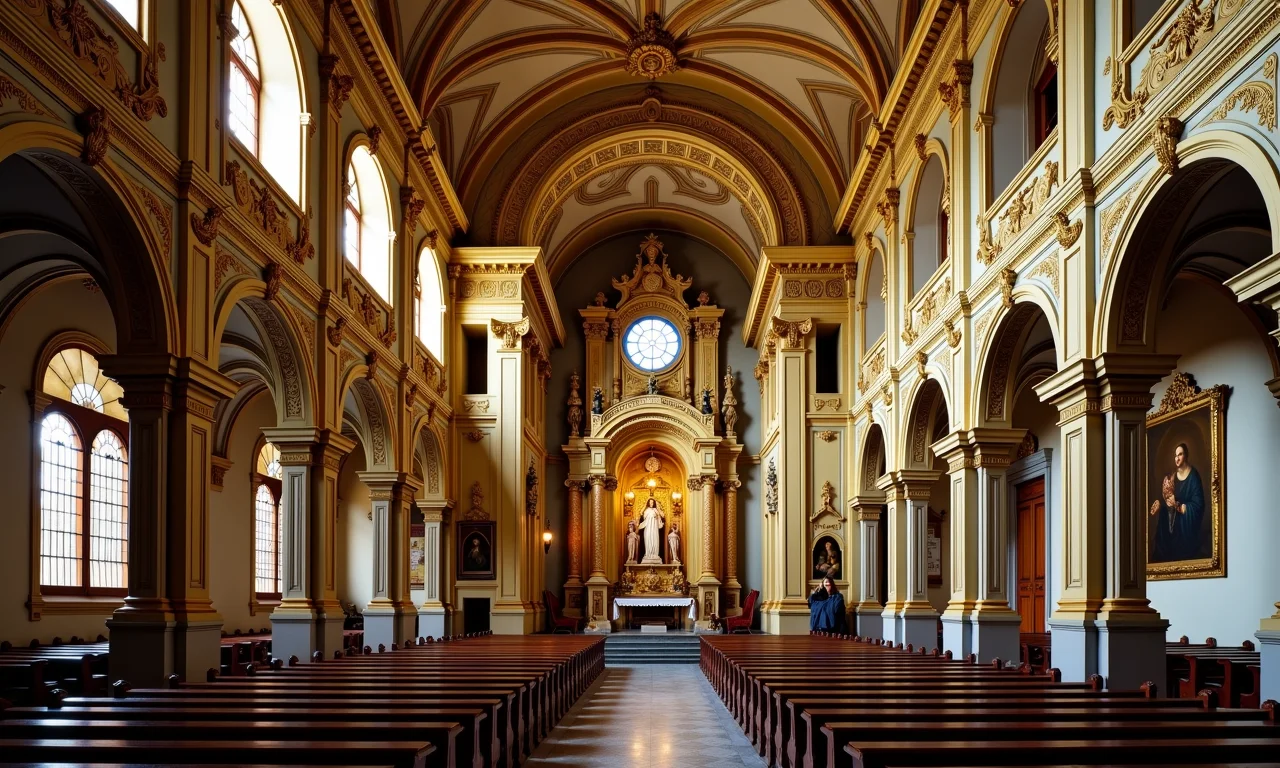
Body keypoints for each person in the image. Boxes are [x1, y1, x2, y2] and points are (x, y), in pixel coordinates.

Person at [1148, 442, 1206, 562]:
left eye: (1180, 454)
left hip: (1186, 525)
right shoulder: (1172, 477)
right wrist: (1160, 504)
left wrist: (1179, 506)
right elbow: (1169, 500)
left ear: (1186, 456)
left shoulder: (1193, 477)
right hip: (1172, 522)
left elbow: (1198, 505)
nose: (1177, 458)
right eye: (1175, 455)